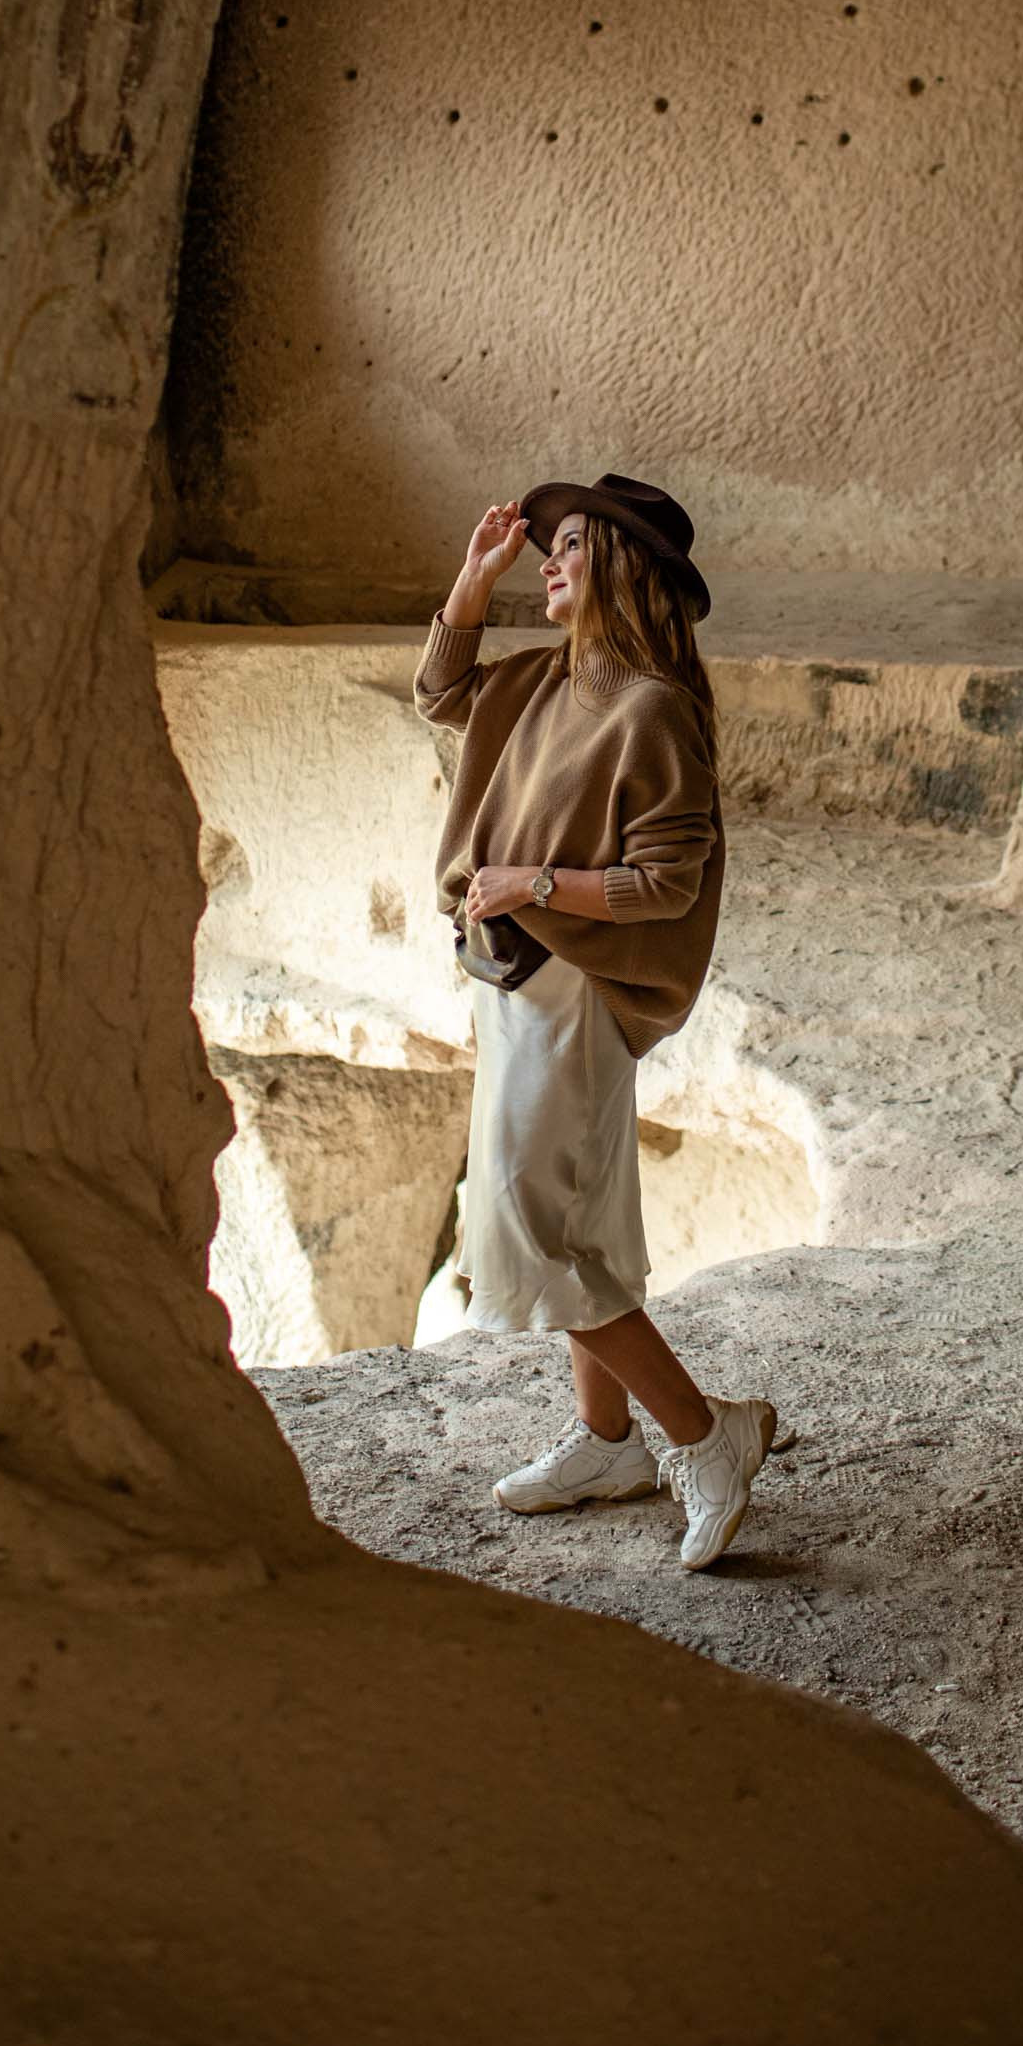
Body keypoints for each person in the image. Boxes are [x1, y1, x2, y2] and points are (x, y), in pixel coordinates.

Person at [413, 472, 777, 1572]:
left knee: (529, 1231)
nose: (548, 563)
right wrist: (471, 580)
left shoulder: (649, 709)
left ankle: (707, 1438)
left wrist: (532, 882)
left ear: (621, 568)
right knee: (581, 1222)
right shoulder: (535, 679)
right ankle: (605, 1440)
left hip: (570, 987)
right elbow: (439, 692)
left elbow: (664, 883)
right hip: (510, 979)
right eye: (544, 549)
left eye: (571, 546)